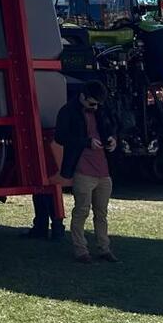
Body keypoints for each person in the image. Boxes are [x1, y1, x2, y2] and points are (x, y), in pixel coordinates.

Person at [53, 81, 119, 264]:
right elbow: (60, 137)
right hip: (83, 169)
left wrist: (112, 139)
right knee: (82, 210)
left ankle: (104, 248)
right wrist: (86, 142)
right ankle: (81, 250)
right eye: (92, 103)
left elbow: (112, 126)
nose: (95, 107)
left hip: (103, 169)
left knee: (101, 212)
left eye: (98, 104)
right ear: (82, 96)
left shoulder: (101, 109)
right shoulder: (68, 111)